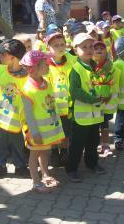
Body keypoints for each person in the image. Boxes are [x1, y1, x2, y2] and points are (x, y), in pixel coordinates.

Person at [20, 51, 66, 192]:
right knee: (34, 155)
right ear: (33, 68)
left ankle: (45, 174)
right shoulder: (27, 89)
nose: (48, 66)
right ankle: (36, 182)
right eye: (45, 64)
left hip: (48, 130)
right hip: (36, 132)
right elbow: (28, 114)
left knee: (45, 152)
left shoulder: (46, 83)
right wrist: (34, 133)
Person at [66, 33, 107, 182]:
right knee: (77, 144)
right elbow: (75, 91)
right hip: (81, 117)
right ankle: (71, 169)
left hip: (95, 115)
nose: (89, 50)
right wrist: (92, 99)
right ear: (75, 50)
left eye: (91, 46)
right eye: (84, 47)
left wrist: (105, 93)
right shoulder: (75, 69)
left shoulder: (96, 66)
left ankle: (92, 164)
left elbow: (102, 84)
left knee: (93, 142)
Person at [0, 39, 29, 180]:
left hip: (16, 119)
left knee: (17, 143)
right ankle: (0, 166)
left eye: (2, 53)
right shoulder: (0, 70)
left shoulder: (26, 77)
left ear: (12, 57)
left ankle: (20, 166)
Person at [46, 31, 77, 166]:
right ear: (48, 48)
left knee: (66, 131)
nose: (60, 47)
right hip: (51, 106)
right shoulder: (44, 64)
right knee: (53, 131)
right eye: (55, 45)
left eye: (62, 44)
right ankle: (53, 152)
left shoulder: (72, 60)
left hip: (68, 106)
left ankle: (64, 151)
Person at [92, 41, 119, 157]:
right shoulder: (90, 66)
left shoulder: (111, 67)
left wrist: (110, 95)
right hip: (94, 102)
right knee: (93, 126)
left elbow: (115, 82)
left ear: (106, 51)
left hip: (107, 101)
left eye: (102, 48)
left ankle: (105, 144)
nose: (99, 50)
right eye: (96, 48)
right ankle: (93, 145)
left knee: (105, 125)